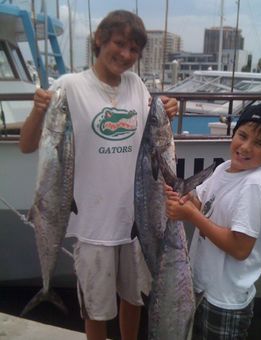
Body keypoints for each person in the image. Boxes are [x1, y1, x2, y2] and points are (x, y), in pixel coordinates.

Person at [19, 10, 178, 340]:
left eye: (134, 49)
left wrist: (167, 114)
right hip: (92, 226)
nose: (125, 55)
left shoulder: (137, 86)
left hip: (137, 223)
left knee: (133, 301)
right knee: (96, 310)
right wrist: (37, 112)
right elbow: (27, 145)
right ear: (99, 40)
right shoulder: (68, 87)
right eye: (119, 44)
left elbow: (152, 141)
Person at [165, 102, 261, 339]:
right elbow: (201, 203)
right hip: (201, 288)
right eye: (242, 135)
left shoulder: (254, 185)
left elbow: (240, 248)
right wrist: (180, 193)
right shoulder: (224, 169)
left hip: (225, 301)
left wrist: (190, 215)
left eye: (259, 144)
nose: (246, 147)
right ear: (233, 133)